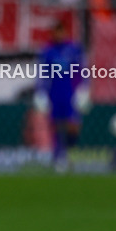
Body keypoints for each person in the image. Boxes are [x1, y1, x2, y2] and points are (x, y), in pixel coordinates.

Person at [33, 21, 89, 171]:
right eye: (56, 32)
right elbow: (42, 74)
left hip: (71, 91)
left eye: (61, 31)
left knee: (73, 126)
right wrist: (40, 93)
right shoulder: (48, 51)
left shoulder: (74, 49)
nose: (59, 35)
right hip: (54, 92)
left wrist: (83, 89)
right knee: (56, 125)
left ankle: (70, 153)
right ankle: (59, 157)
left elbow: (81, 70)